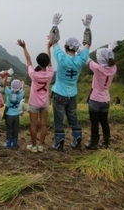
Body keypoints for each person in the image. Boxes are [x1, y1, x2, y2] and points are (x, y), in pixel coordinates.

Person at [48, 13, 92, 151]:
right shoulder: (82, 59)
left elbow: (53, 42)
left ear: (66, 47)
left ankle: (59, 143)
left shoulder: (61, 58)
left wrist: (54, 25)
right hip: (72, 93)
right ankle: (77, 140)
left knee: (59, 118)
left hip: (59, 92)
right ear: (76, 48)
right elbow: (87, 44)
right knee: (73, 117)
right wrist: (87, 27)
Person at [17, 39, 54, 153]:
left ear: (38, 62)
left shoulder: (33, 74)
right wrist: (48, 47)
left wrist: (24, 47)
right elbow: (50, 62)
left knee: (33, 125)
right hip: (45, 103)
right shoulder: (50, 73)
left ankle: (33, 146)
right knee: (43, 125)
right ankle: (41, 145)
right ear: (47, 63)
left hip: (34, 102)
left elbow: (28, 60)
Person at [85, 41, 118, 150]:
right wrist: (110, 50)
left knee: (94, 123)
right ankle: (106, 142)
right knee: (104, 121)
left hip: (95, 99)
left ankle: (93, 143)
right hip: (106, 99)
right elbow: (109, 59)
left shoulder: (98, 69)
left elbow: (87, 58)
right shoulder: (113, 69)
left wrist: (81, 48)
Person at [1, 75, 24, 150]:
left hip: (9, 114)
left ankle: (8, 143)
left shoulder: (9, 93)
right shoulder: (21, 94)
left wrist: (6, 77)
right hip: (16, 114)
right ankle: (14, 143)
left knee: (9, 129)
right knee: (15, 129)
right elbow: (22, 89)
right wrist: (22, 85)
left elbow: (4, 85)